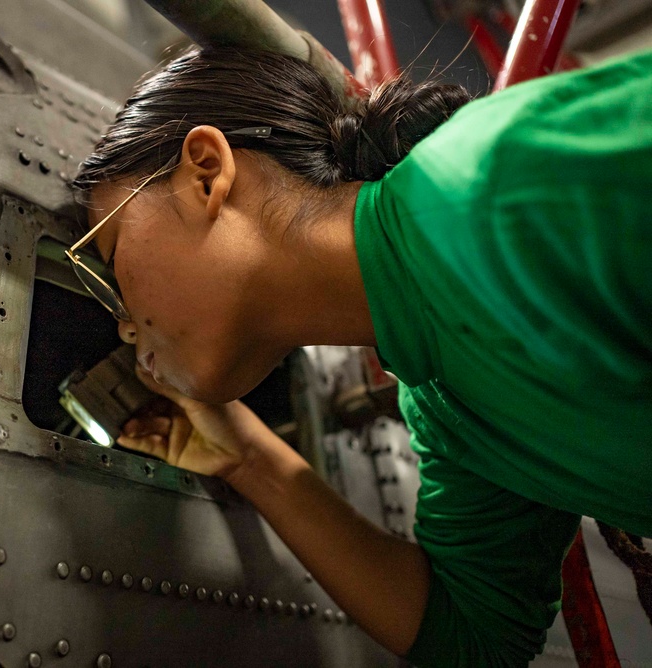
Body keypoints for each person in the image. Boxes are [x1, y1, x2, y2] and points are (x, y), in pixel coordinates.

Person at [67, 45, 652, 666]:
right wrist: (249, 460)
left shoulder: (505, 177)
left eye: (110, 259)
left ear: (207, 173)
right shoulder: (446, 409)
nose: (126, 329)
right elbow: (475, 639)